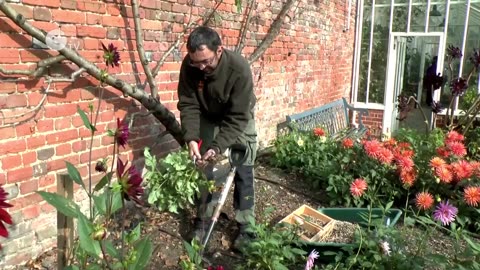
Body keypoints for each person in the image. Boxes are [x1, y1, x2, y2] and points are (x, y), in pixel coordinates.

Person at [176, 26, 257, 251]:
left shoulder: (238, 68)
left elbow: (238, 116)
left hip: (238, 115)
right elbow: (189, 104)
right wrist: (192, 138)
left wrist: (219, 146)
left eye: (206, 61)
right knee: (206, 167)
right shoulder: (190, 65)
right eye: (196, 62)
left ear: (219, 50)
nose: (201, 67)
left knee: (243, 167)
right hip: (208, 114)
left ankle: (246, 226)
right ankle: (203, 220)